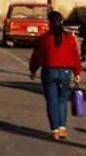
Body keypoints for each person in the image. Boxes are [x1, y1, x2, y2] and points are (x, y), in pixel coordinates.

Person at [29, 11, 82, 140]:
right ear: (62, 22)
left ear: (49, 23)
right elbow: (75, 56)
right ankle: (63, 128)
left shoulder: (44, 38)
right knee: (62, 100)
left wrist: (33, 69)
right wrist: (77, 72)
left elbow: (37, 56)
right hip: (65, 73)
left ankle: (55, 130)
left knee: (52, 101)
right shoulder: (70, 38)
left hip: (49, 71)